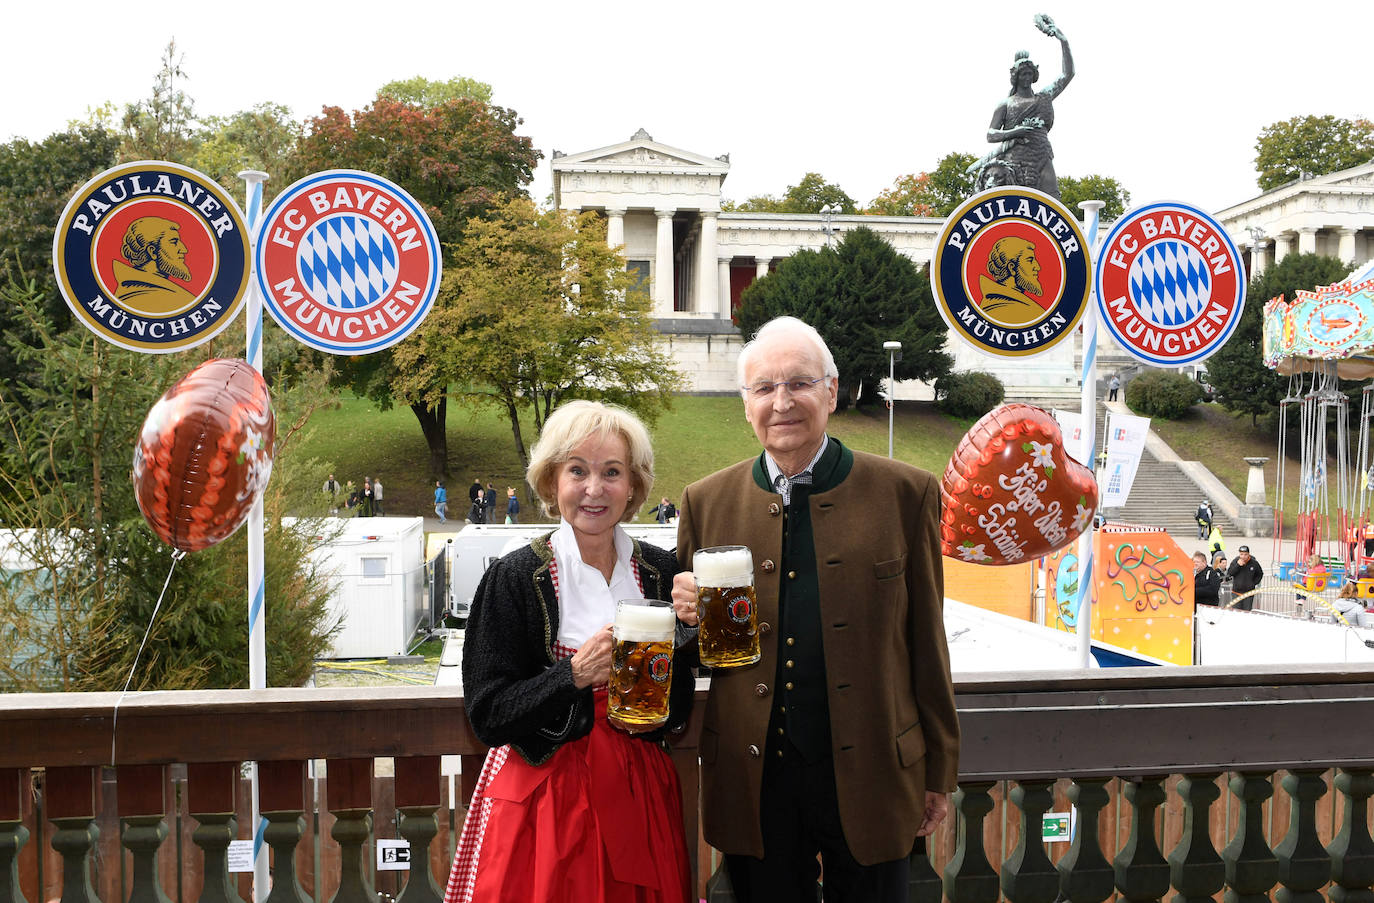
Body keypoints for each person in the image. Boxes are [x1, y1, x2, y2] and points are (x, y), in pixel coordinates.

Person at [669, 316, 958, 901]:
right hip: (757, 780)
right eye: (764, 388)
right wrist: (688, 622)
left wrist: (938, 770)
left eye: (799, 383)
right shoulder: (705, 501)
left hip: (876, 770)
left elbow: (928, 643)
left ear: (831, 391)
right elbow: (701, 658)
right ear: (744, 403)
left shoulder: (907, 492)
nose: (782, 402)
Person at [443, 400, 692, 903]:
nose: (594, 489)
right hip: (543, 804)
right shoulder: (514, 577)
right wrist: (574, 674)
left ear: (634, 486)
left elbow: (680, 703)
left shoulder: (662, 572)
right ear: (552, 481)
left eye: (612, 472)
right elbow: (488, 713)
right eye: (577, 470)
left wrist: (693, 631)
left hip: (637, 790)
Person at [979, 14, 1073, 198]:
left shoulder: (1044, 96)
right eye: (1023, 74)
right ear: (1016, 77)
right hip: (1014, 160)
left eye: (1029, 74)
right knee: (1016, 203)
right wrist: (1017, 131)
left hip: (1042, 154)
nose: (1026, 78)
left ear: (1034, 75)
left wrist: (1063, 41)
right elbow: (990, 134)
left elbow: (1068, 73)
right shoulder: (1006, 104)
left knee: (1052, 198)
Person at [1227, 544, 1264, 611]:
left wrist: (1253, 583)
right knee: (1236, 613)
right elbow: (1230, 573)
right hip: (1236, 593)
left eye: (1245, 554)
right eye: (1241, 554)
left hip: (1248, 594)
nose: (1243, 556)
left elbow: (1260, 574)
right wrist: (1238, 565)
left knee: (1246, 613)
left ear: (1248, 554)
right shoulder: (1235, 561)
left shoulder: (1254, 563)